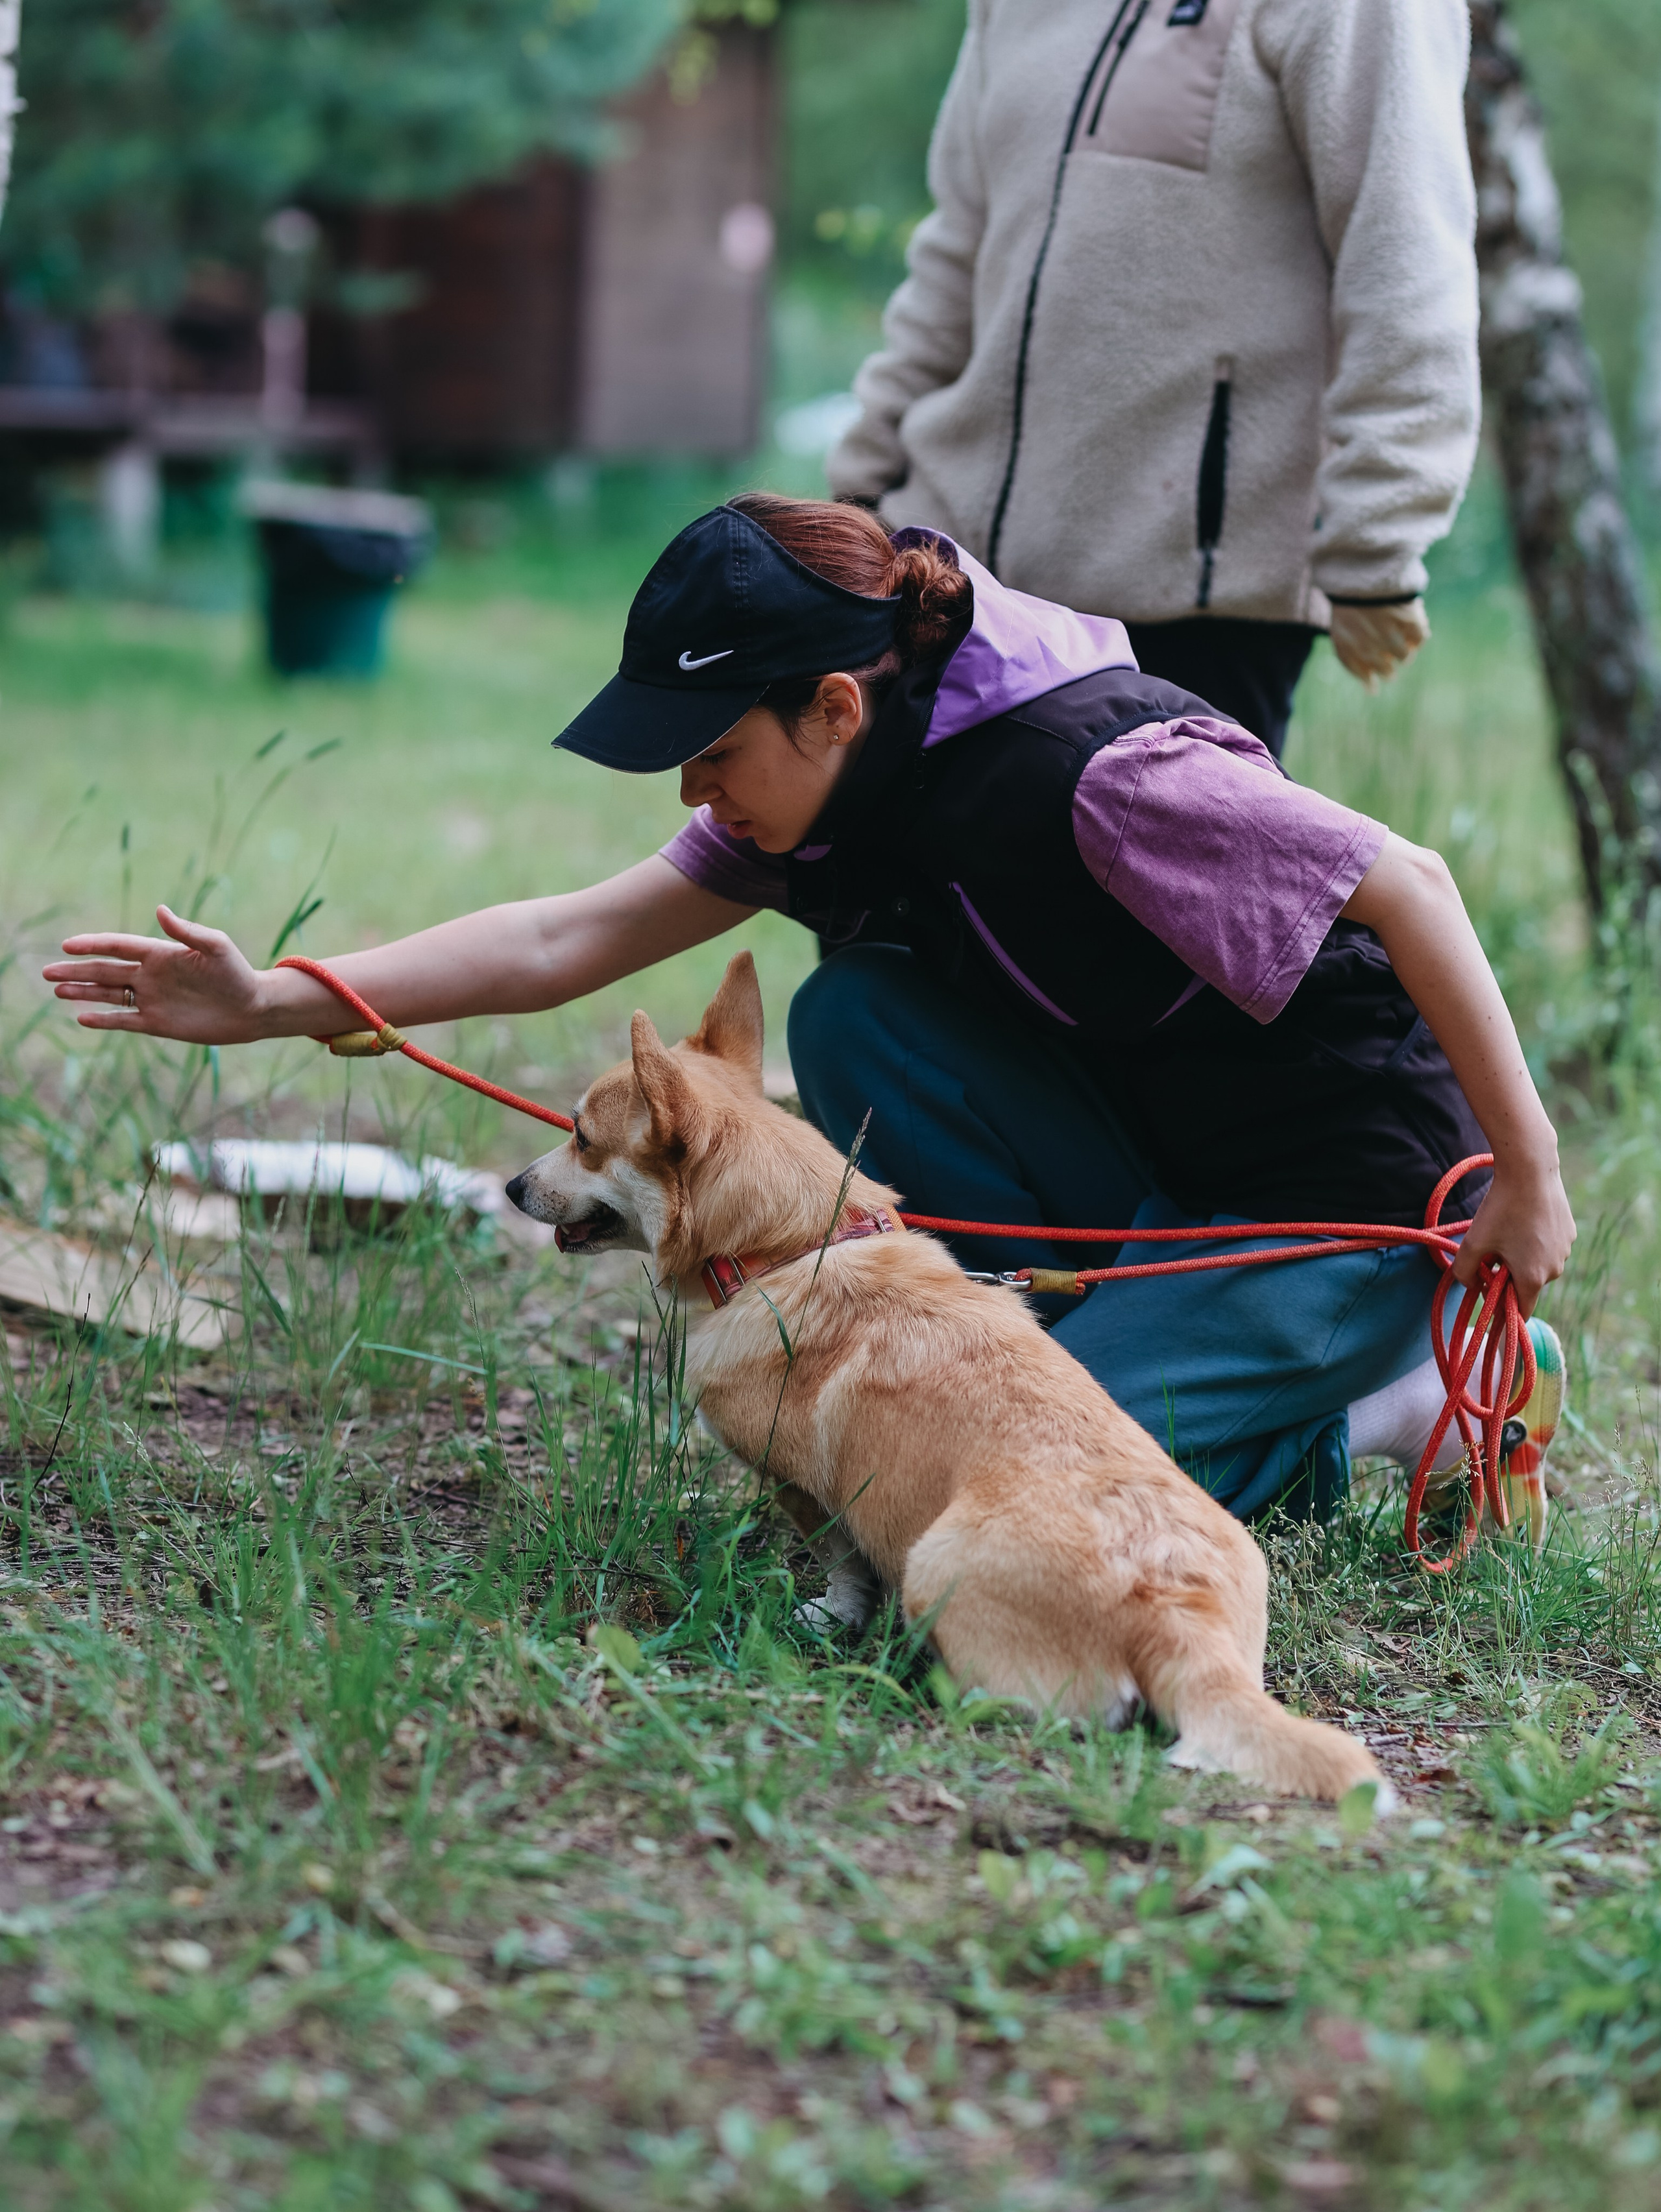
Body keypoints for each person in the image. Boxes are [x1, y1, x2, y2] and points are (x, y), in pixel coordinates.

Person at [45, 496, 1573, 1524]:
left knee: (1000, 1471)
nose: (693, 793)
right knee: (854, 1019)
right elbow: (563, 932)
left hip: (1343, 1196)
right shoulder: (829, 789)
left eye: (709, 755)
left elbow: (1408, 883)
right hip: (1162, 1157)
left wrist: (1523, 1173)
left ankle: (1402, 1398)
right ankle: (1141, 1343)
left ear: (832, 706)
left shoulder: (1103, 771)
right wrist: (269, 1002)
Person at [825, 0, 1481, 758]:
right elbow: (953, 256)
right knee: (890, 869)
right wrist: (862, 495)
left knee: (1157, 878)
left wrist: (1376, 544)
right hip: (957, 578)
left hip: (1192, 601)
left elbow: (1404, 260)